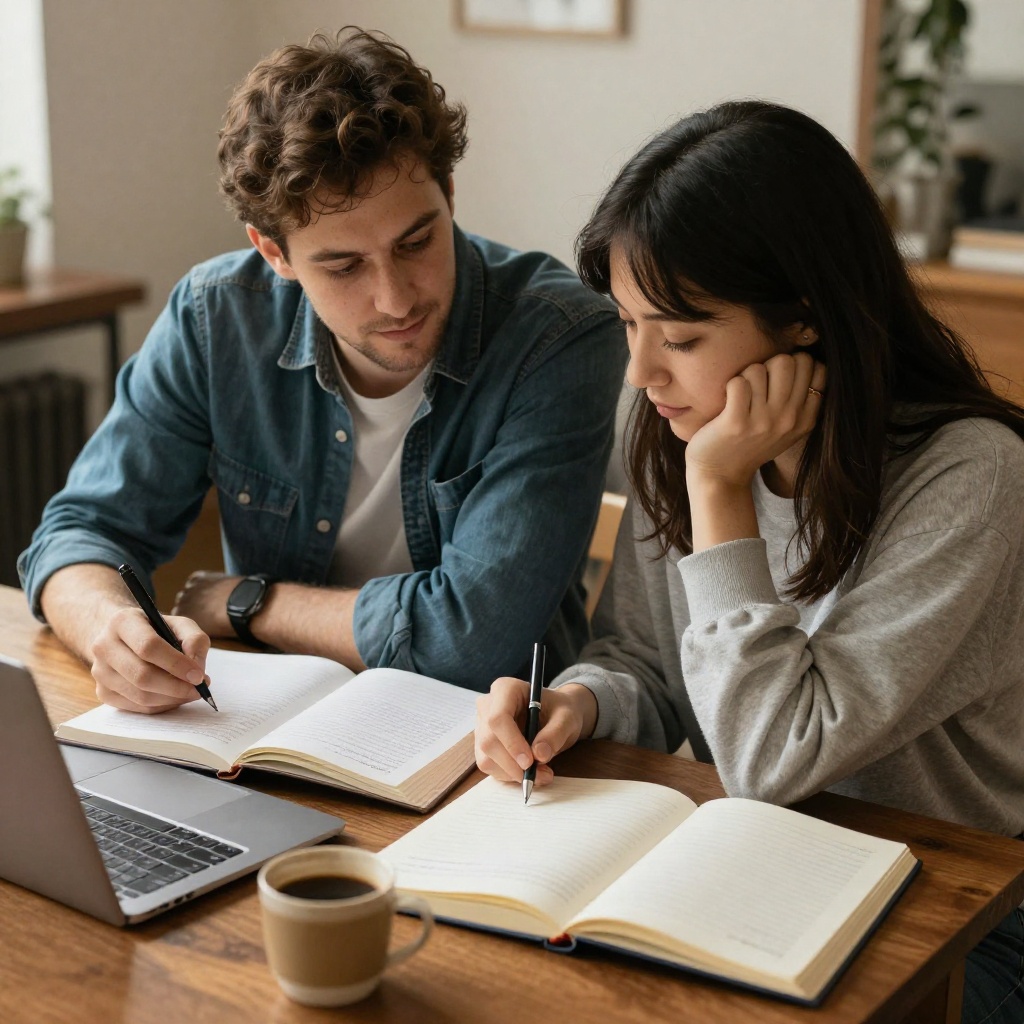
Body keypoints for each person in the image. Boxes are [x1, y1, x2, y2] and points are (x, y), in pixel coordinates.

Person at [474, 101, 1024, 1023]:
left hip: (966, 910)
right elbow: (651, 660)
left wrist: (720, 494)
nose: (642, 373)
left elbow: (777, 756)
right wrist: (580, 702)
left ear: (802, 318)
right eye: (627, 324)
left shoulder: (973, 477)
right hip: (773, 870)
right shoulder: (681, 430)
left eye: (681, 337)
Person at [18, 28, 626, 712]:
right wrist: (111, 629)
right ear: (273, 254)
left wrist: (248, 602)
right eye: (343, 266)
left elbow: (473, 642)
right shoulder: (216, 317)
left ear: (449, 193)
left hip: (491, 745)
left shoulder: (558, 338)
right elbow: (80, 534)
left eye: (417, 241)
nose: (395, 298)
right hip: (271, 723)